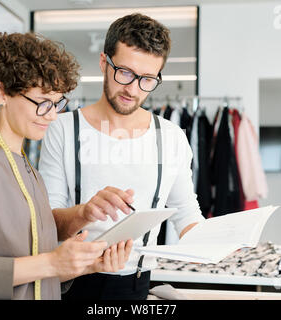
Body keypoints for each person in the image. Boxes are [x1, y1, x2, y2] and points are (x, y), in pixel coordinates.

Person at [0, 32, 133, 300]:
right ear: (1, 93)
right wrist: (52, 262)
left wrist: (89, 266)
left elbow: (29, 274)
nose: (52, 115)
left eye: (57, 103)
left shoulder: (27, 168)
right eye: (43, 102)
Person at [38, 13, 205, 300]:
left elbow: (187, 214)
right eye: (125, 72)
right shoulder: (62, 129)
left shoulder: (171, 137)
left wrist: (221, 241)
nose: (133, 88)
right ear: (104, 62)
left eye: (147, 79)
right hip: (72, 284)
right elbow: (46, 224)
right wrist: (84, 212)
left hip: (137, 286)